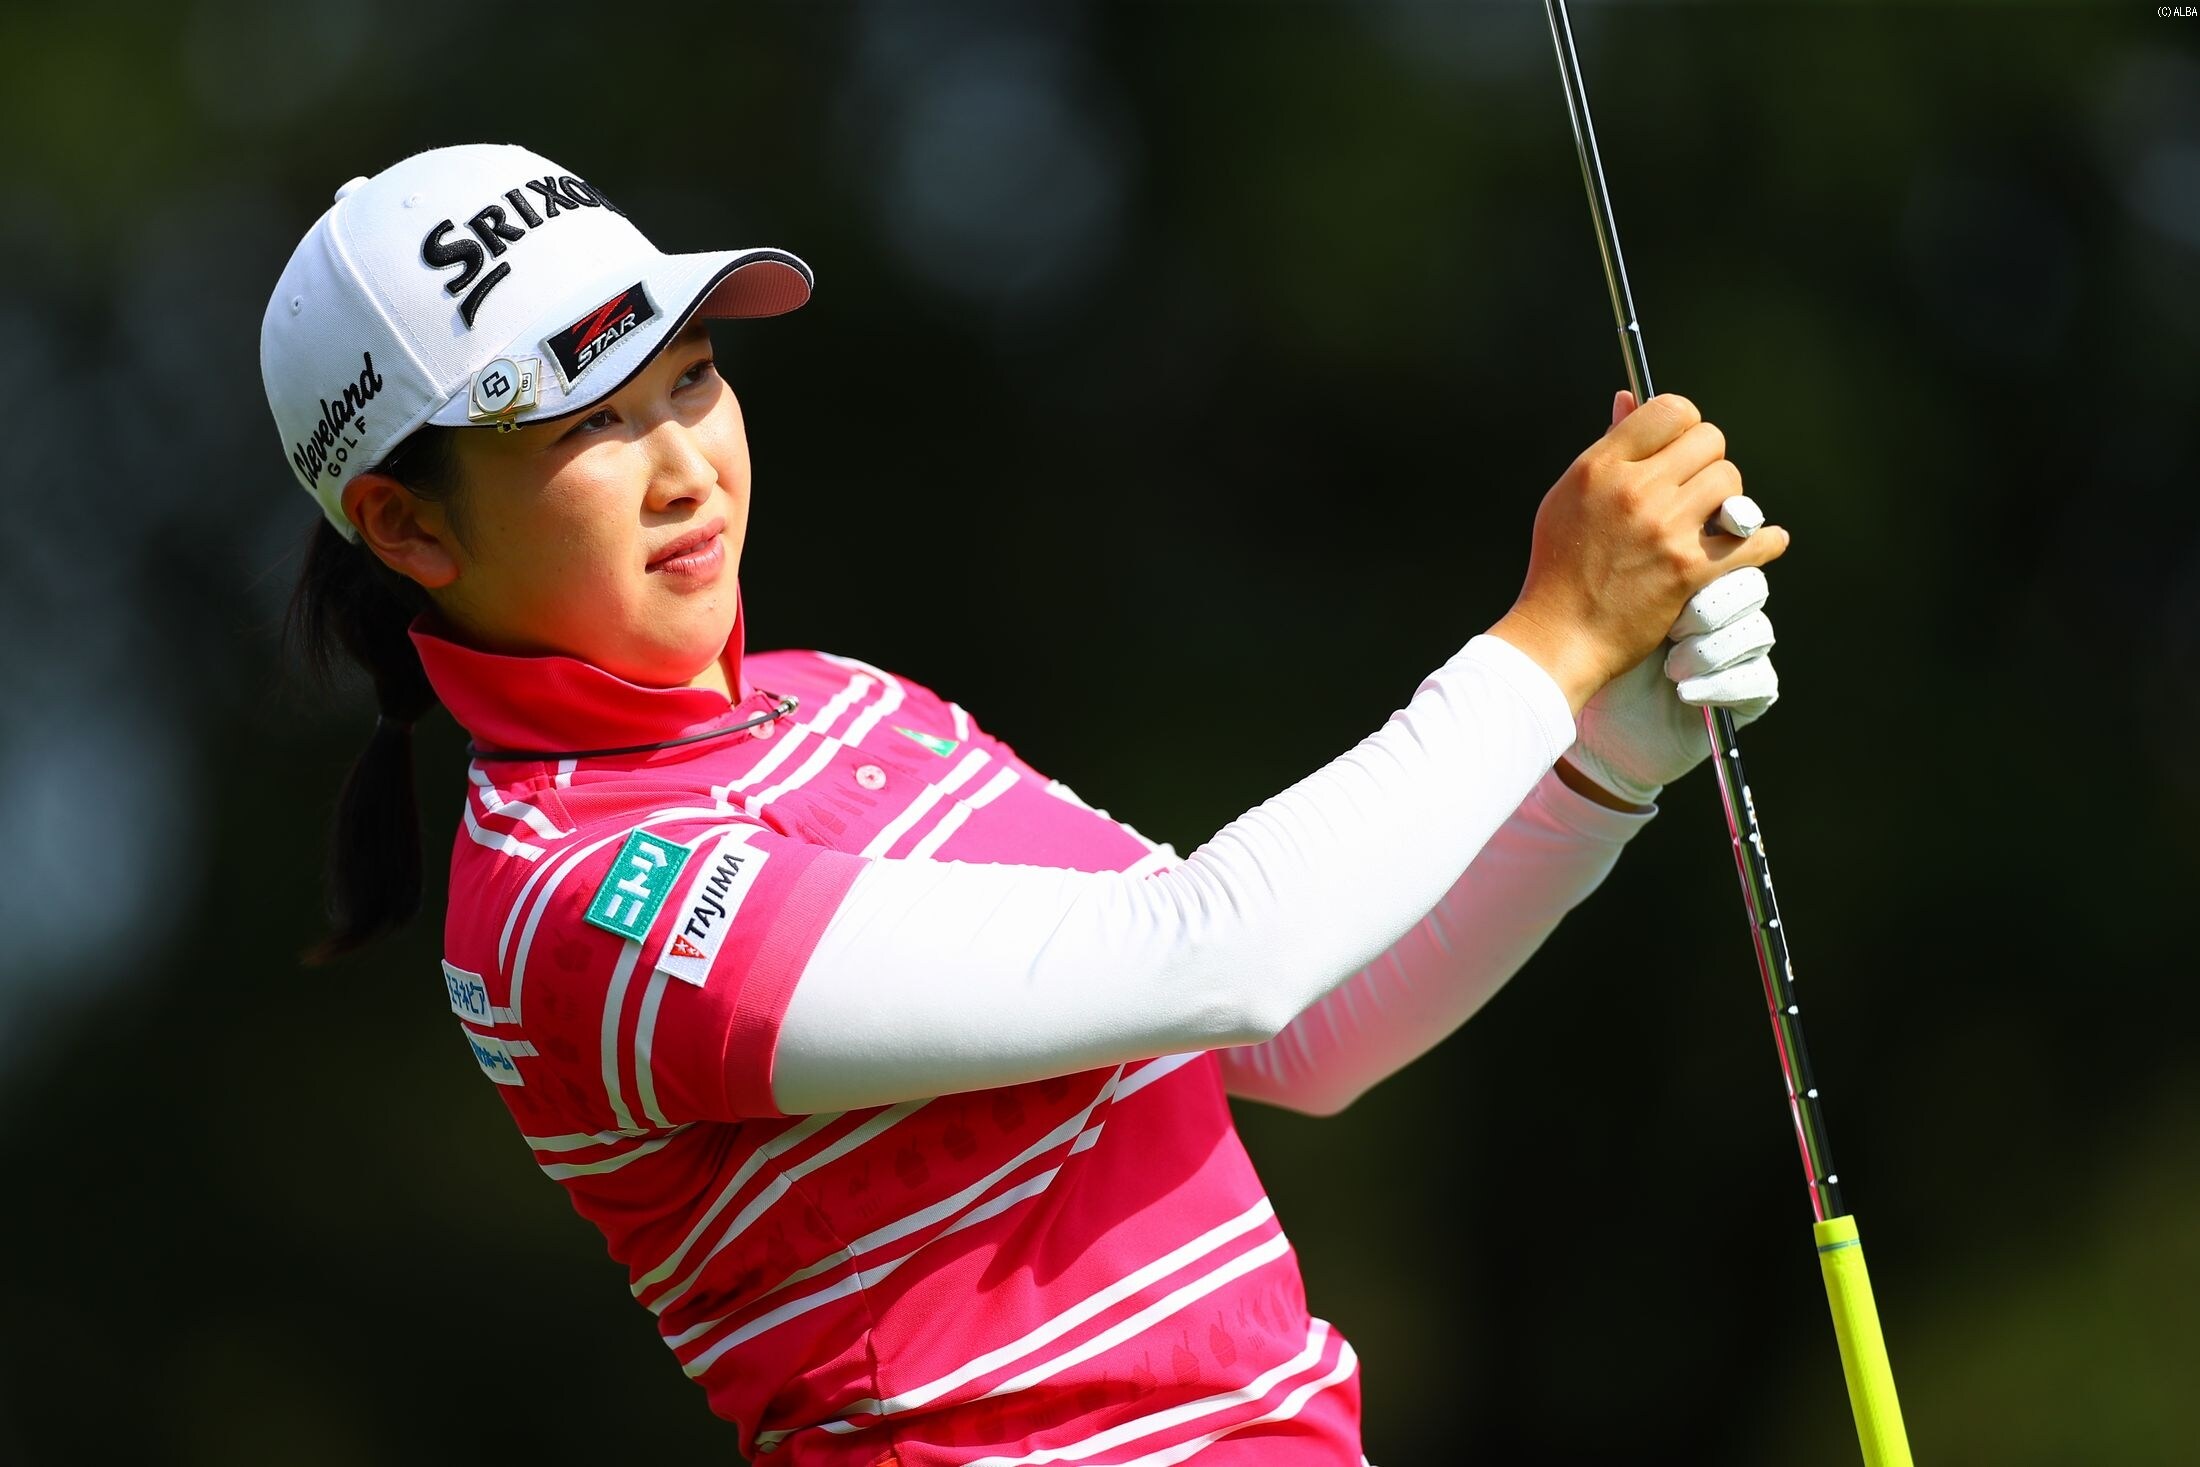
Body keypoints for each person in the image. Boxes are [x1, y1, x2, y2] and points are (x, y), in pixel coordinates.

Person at [265, 143, 1786, 1465]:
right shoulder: (577, 895)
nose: (684, 468)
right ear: (406, 526)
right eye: (586, 424)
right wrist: (1551, 640)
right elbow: (1222, 955)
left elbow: (1295, 1035)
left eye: (693, 378)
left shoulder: (845, 702)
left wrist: (1602, 758)